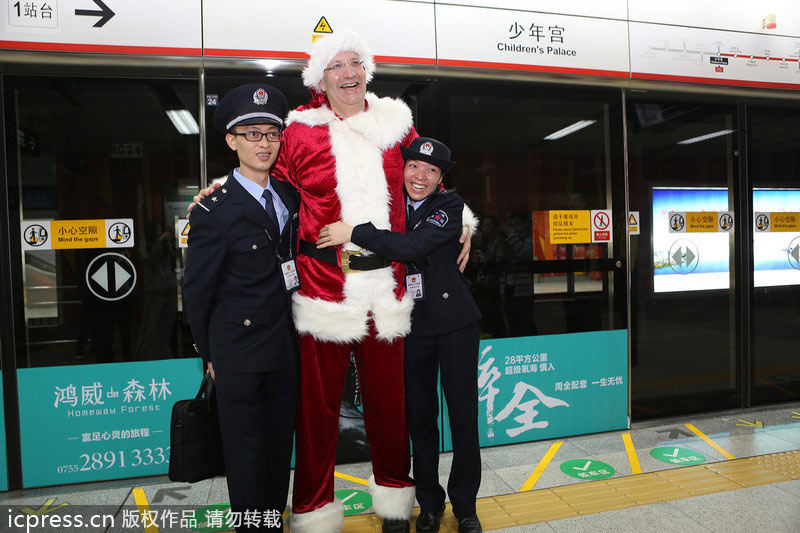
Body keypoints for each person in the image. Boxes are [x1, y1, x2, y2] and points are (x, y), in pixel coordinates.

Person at [190, 29, 475, 533]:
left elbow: (430, 184)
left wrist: (463, 224)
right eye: (336, 66)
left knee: (392, 410)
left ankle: (394, 502)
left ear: (367, 72)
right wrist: (220, 186)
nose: (348, 73)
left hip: (387, 289)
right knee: (315, 417)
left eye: (355, 63)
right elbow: (266, 180)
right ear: (319, 80)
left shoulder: (397, 126)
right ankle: (314, 510)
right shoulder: (299, 130)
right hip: (322, 290)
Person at [317, 137, 483, 533]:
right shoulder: (389, 205)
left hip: (455, 323)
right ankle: (429, 503)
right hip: (410, 326)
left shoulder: (449, 207)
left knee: (463, 418)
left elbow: (412, 245)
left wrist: (355, 231)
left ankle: (466, 507)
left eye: (431, 171)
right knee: (420, 420)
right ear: (401, 168)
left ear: (441, 178)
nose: (420, 176)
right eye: (414, 167)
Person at [183, 83, 300, 531]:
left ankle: (272, 521)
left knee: (276, 448)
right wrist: (209, 355)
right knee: (245, 452)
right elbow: (197, 291)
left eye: (271, 134)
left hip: (285, 346)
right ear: (231, 141)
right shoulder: (212, 210)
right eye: (251, 134)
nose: (263, 143)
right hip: (237, 351)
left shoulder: (288, 197)